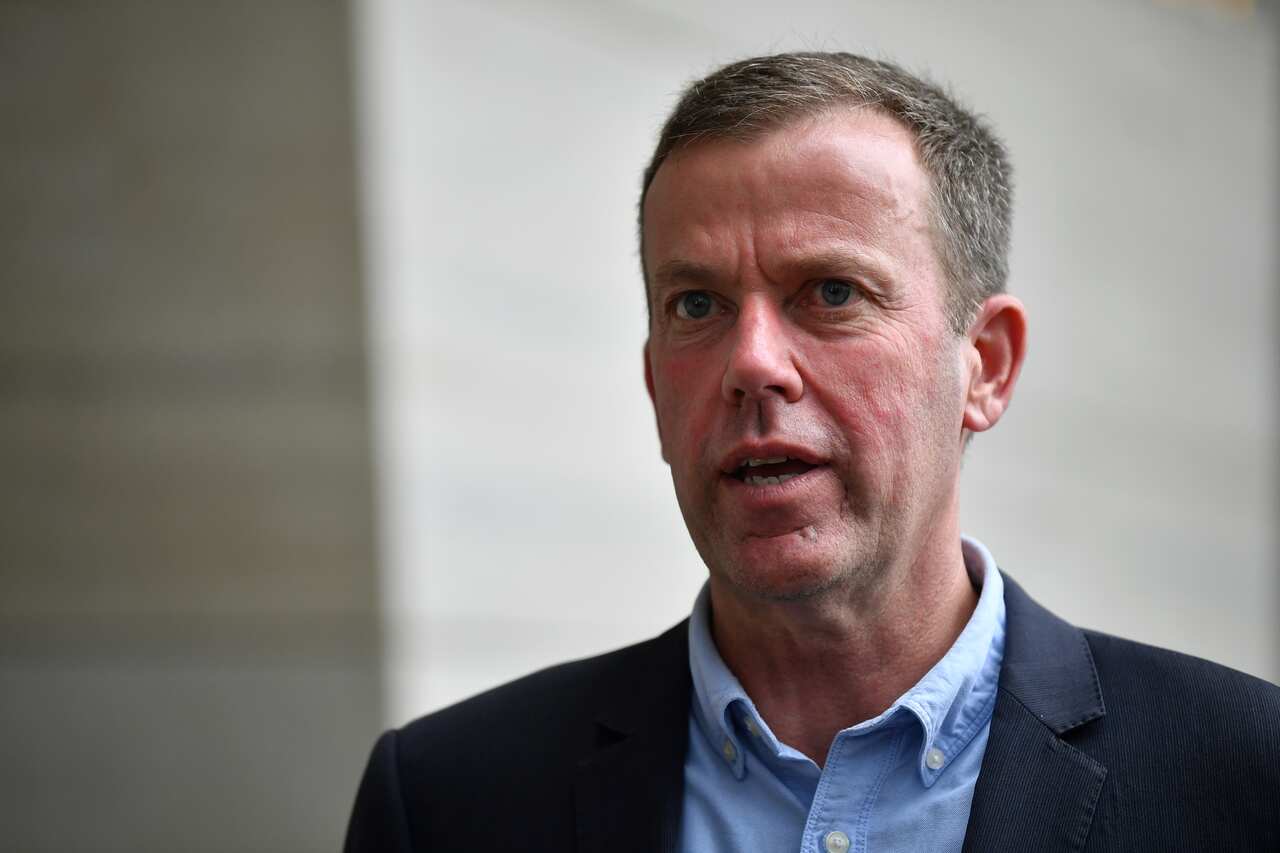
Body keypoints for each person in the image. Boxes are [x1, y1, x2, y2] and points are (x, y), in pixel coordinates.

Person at [345, 52, 1280, 852]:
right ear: (655, 387)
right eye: (697, 306)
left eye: (831, 292)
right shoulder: (446, 801)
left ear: (984, 367)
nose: (751, 362)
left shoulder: (1244, 777)